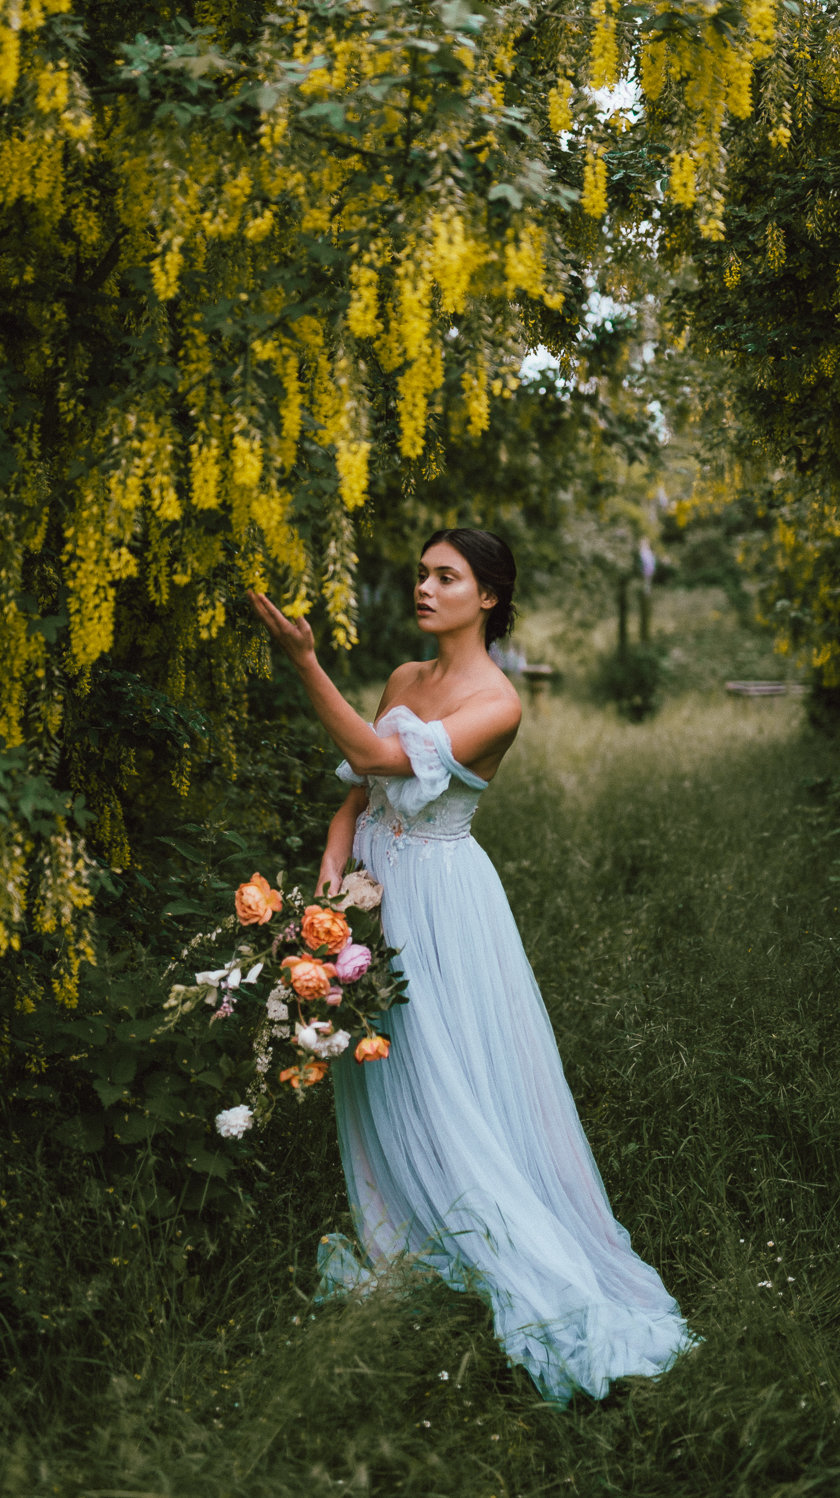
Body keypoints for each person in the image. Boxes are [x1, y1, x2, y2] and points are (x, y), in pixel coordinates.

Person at [247, 527, 695, 1406]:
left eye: (445, 577)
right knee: (385, 1068)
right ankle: (409, 1235)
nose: (424, 587)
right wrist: (334, 872)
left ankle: (513, 1253)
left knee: (449, 1071)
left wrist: (303, 661)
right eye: (420, 573)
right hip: (375, 889)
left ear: (486, 596)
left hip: (445, 900)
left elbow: (384, 757)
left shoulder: (499, 699)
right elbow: (358, 793)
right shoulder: (407, 680)